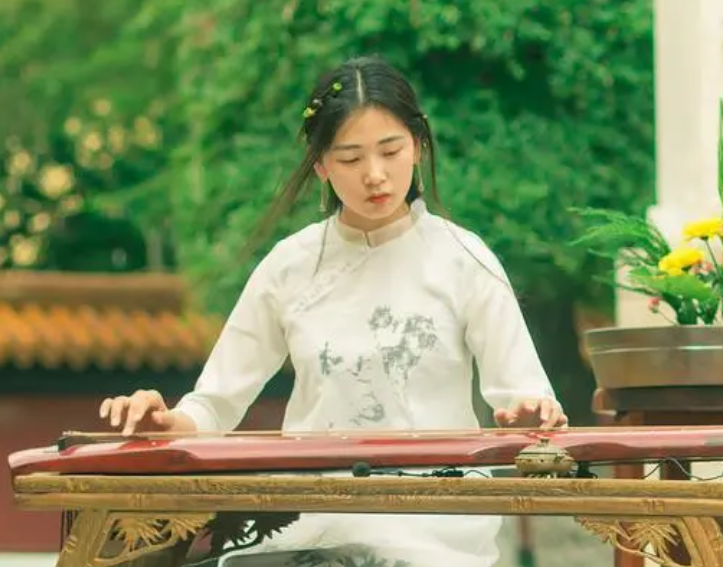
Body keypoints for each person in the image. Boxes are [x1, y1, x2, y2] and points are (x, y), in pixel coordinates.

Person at [98, 55, 567, 567]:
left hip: (432, 528)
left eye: (391, 150)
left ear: (418, 145)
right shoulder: (291, 265)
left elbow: (526, 398)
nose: (375, 175)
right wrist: (166, 421)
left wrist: (531, 416)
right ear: (320, 164)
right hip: (308, 525)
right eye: (349, 158)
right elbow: (213, 406)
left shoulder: (464, 259)